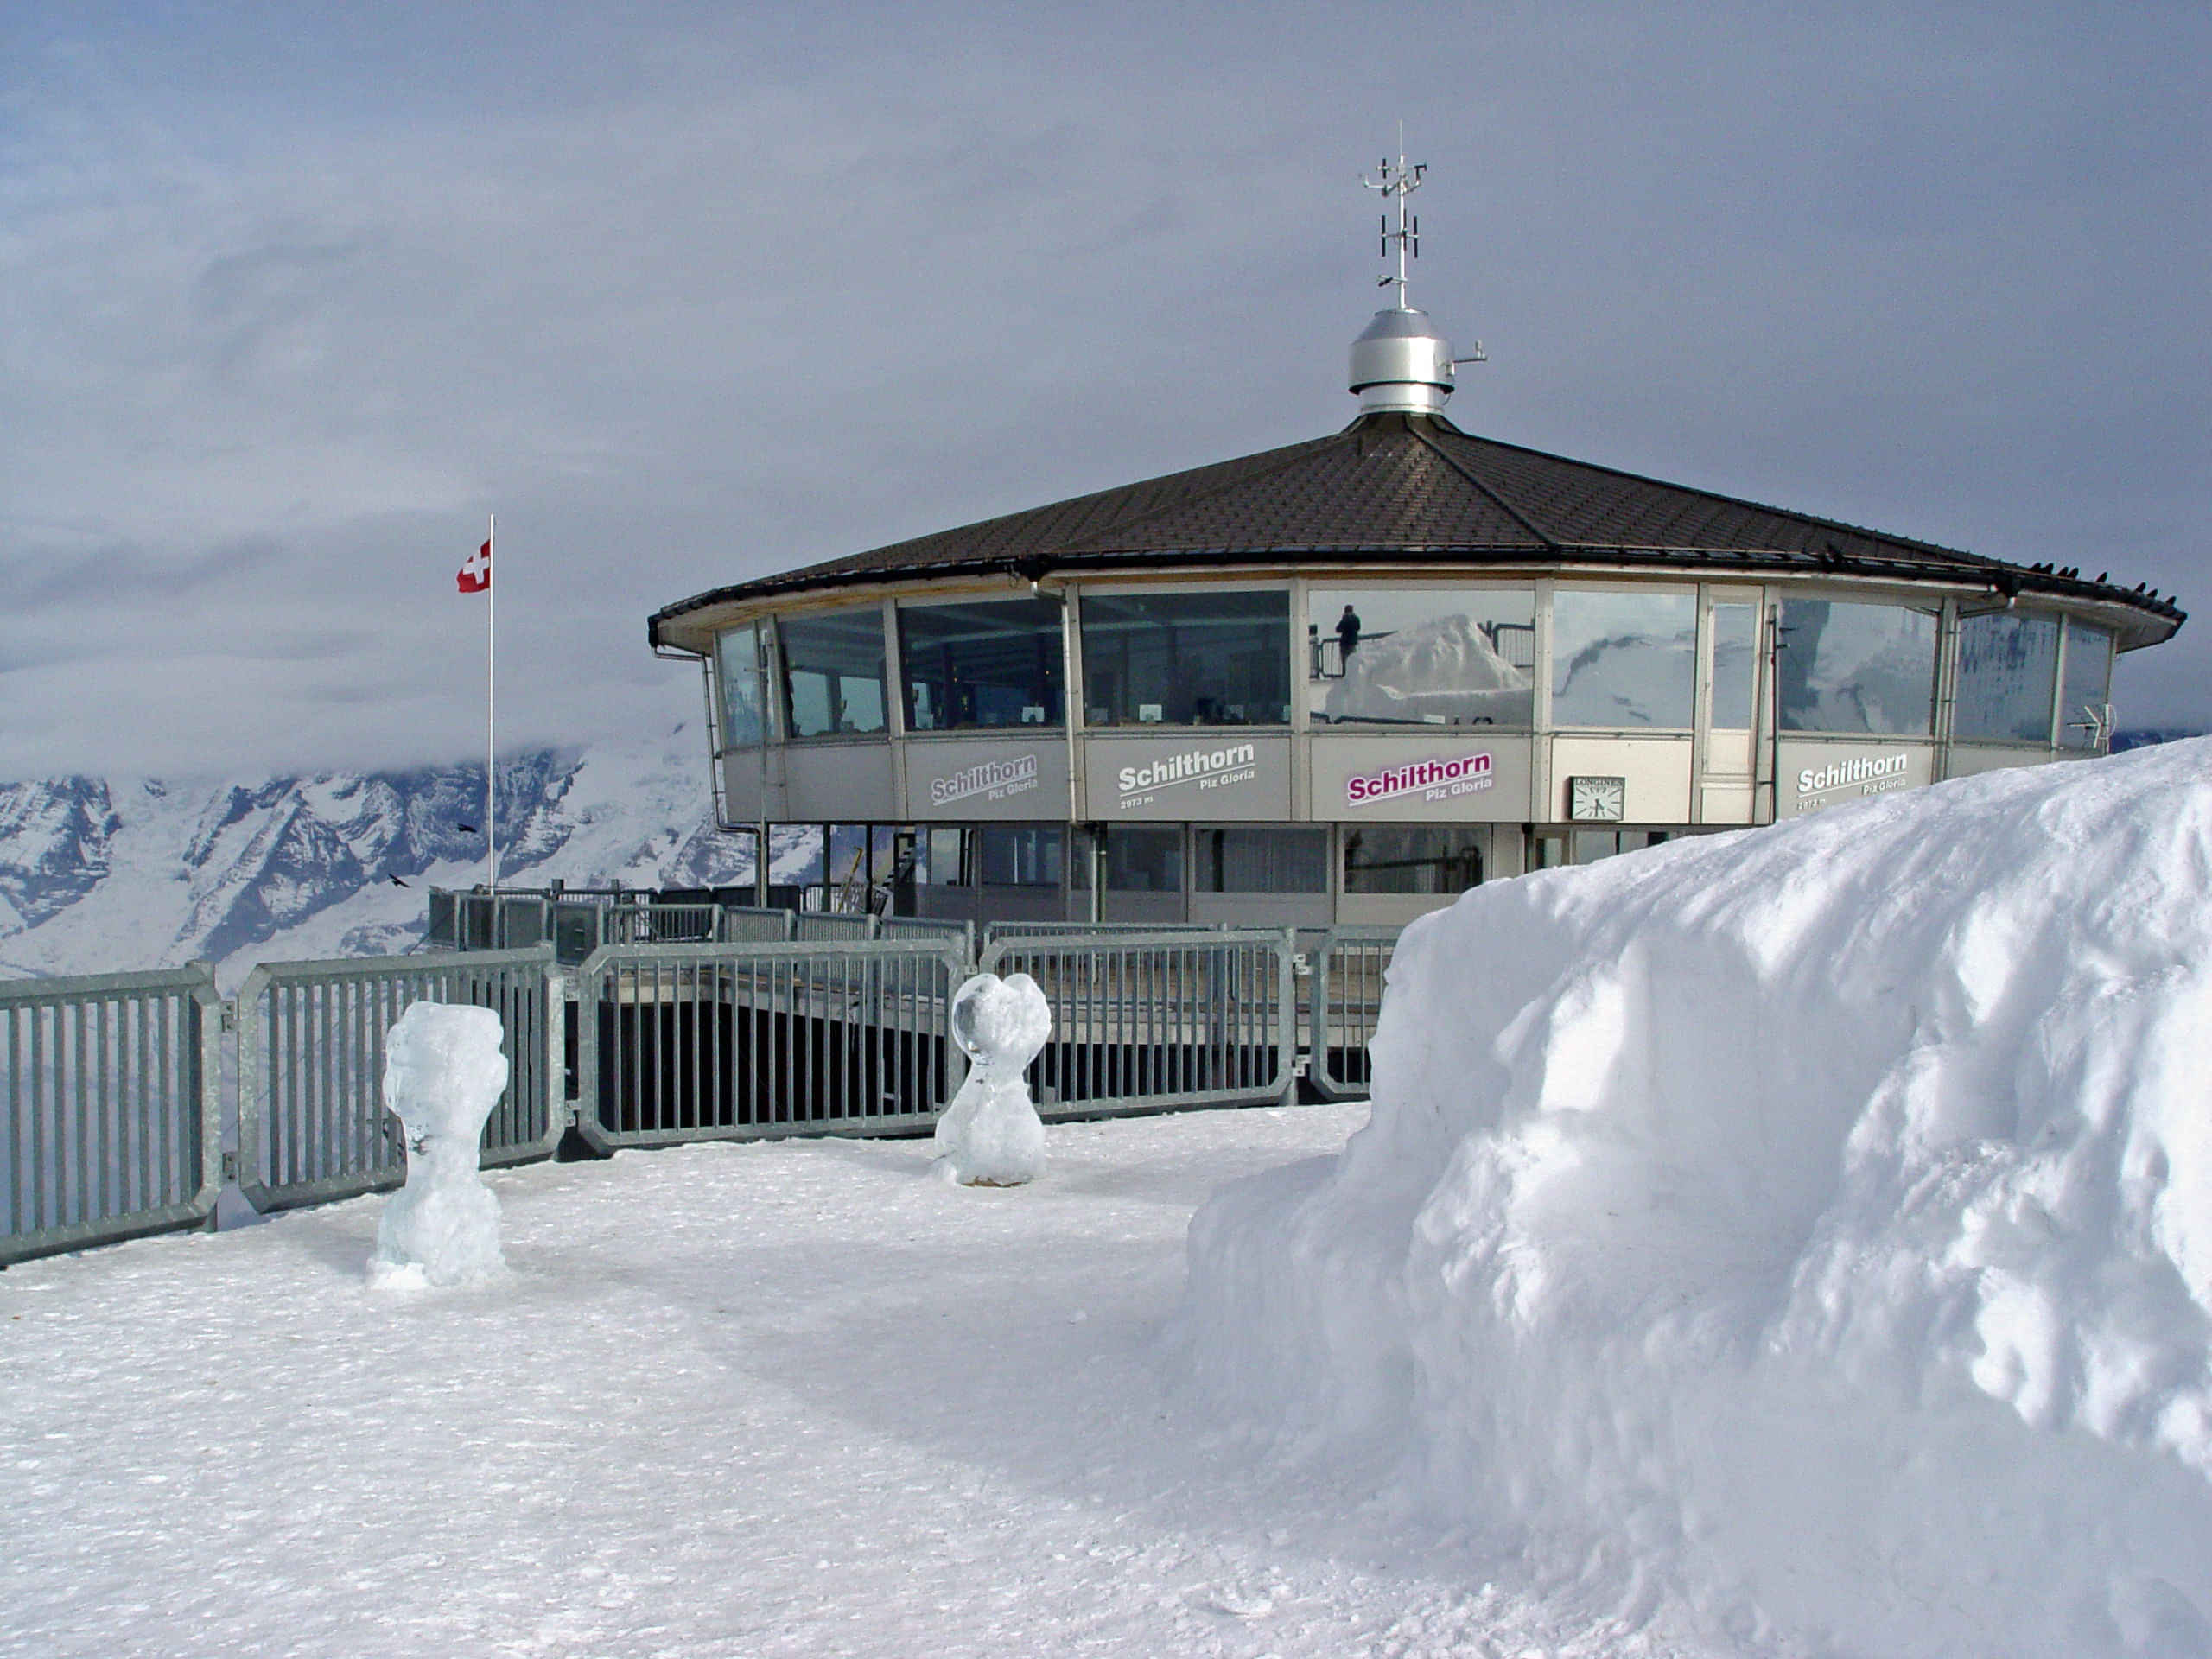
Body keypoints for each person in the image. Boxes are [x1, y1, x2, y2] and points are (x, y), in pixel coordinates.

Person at [1336, 604, 1363, 669]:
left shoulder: (1345, 619)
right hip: (1353, 642)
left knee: (1345, 661)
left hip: (1344, 643)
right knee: (1352, 661)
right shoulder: (1356, 619)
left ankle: (1345, 674)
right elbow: (1358, 628)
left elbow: (1338, 629)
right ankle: (1352, 675)